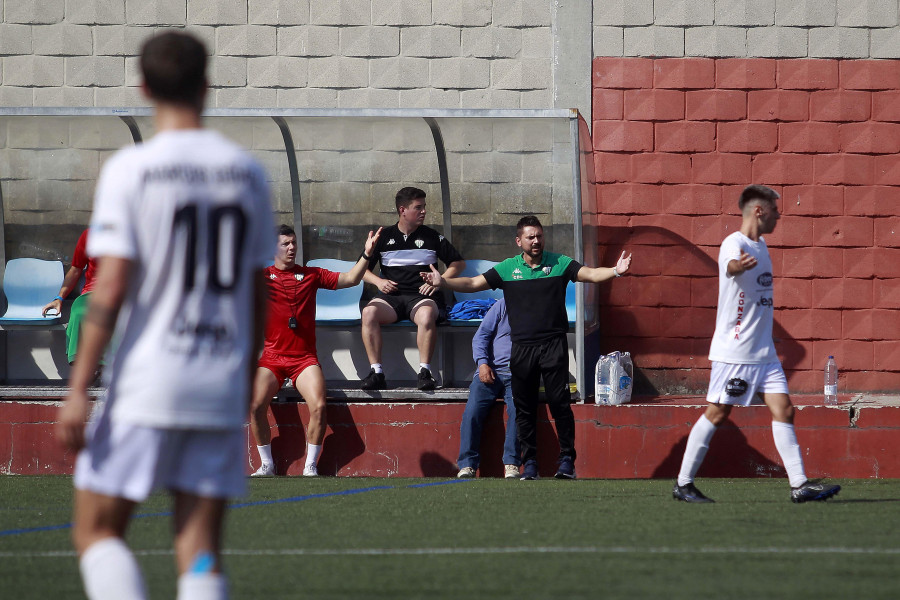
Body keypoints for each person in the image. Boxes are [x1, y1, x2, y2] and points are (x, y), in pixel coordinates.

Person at [55, 30, 274, 600]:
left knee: (97, 531)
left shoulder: (132, 170)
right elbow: (257, 295)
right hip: (218, 379)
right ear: (207, 86)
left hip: (149, 379)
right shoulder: (246, 173)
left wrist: (79, 387)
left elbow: (109, 291)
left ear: (145, 86)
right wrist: (244, 371)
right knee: (200, 553)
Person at [423, 215, 632, 480]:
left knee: (560, 405)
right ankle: (529, 464)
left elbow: (589, 274)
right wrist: (443, 281)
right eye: (530, 237)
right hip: (521, 349)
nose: (536, 241)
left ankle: (567, 461)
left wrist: (616, 271)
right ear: (519, 241)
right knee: (524, 408)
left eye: (539, 236)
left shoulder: (560, 263)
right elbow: (474, 284)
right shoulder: (508, 268)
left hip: (553, 345)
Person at [672, 185, 841, 504]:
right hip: (735, 353)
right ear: (759, 211)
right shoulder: (733, 244)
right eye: (775, 210)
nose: (779, 215)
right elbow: (730, 267)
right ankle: (683, 484)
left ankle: (800, 485)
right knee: (718, 413)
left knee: (785, 410)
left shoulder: (762, 247)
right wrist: (739, 266)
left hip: (765, 355)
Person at [251, 224, 382, 477]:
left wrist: (366, 253)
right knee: (256, 405)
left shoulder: (311, 274)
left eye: (294, 243)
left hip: (303, 359)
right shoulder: (261, 277)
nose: (291, 248)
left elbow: (352, 279)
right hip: (272, 358)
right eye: (285, 244)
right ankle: (267, 465)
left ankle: (310, 465)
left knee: (320, 407)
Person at [359, 186, 465, 391]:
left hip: (422, 297)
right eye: (418, 207)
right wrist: (379, 282)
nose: (424, 211)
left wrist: (440, 280)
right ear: (402, 210)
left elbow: (458, 263)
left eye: (424, 207)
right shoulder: (383, 237)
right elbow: (361, 270)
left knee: (426, 315)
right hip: (392, 299)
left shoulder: (432, 236)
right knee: (369, 312)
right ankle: (377, 372)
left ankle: (425, 372)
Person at [456, 298, 520, 479]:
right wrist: (482, 363)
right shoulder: (502, 304)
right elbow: (481, 335)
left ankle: (512, 463)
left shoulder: (539, 307)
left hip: (519, 373)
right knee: (472, 412)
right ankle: (467, 465)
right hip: (491, 370)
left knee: (518, 410)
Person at [42, 229, 98, 365]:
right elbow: (75, 269)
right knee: (79, 311)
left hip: (124, 293)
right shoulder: (90, 235)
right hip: (92, 292)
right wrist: (59, 298)